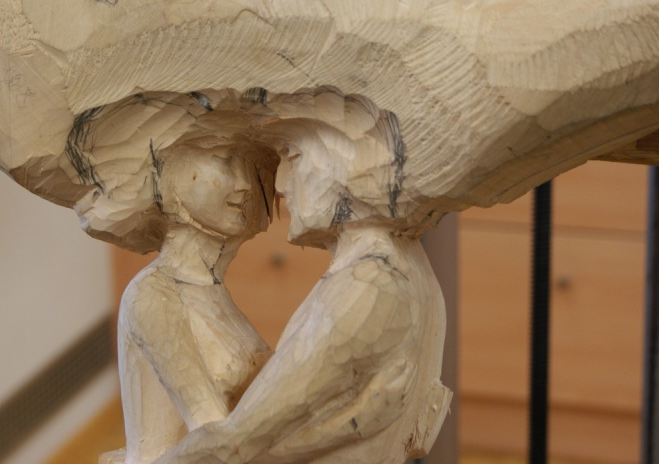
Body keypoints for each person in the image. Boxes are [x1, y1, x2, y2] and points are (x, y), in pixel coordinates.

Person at [155, 89, 451, 464]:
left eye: (293, 157)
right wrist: (349, 425)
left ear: (344, 163)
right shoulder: (406, 264)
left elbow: (235, 445)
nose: (279, 184)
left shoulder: (367, 285)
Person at [65, 94, 279, 464]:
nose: (245, 182)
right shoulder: (153, 295)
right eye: (223, 159)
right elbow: (212, 430)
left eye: (249, 164)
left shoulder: (211, 291)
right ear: (168, 173)